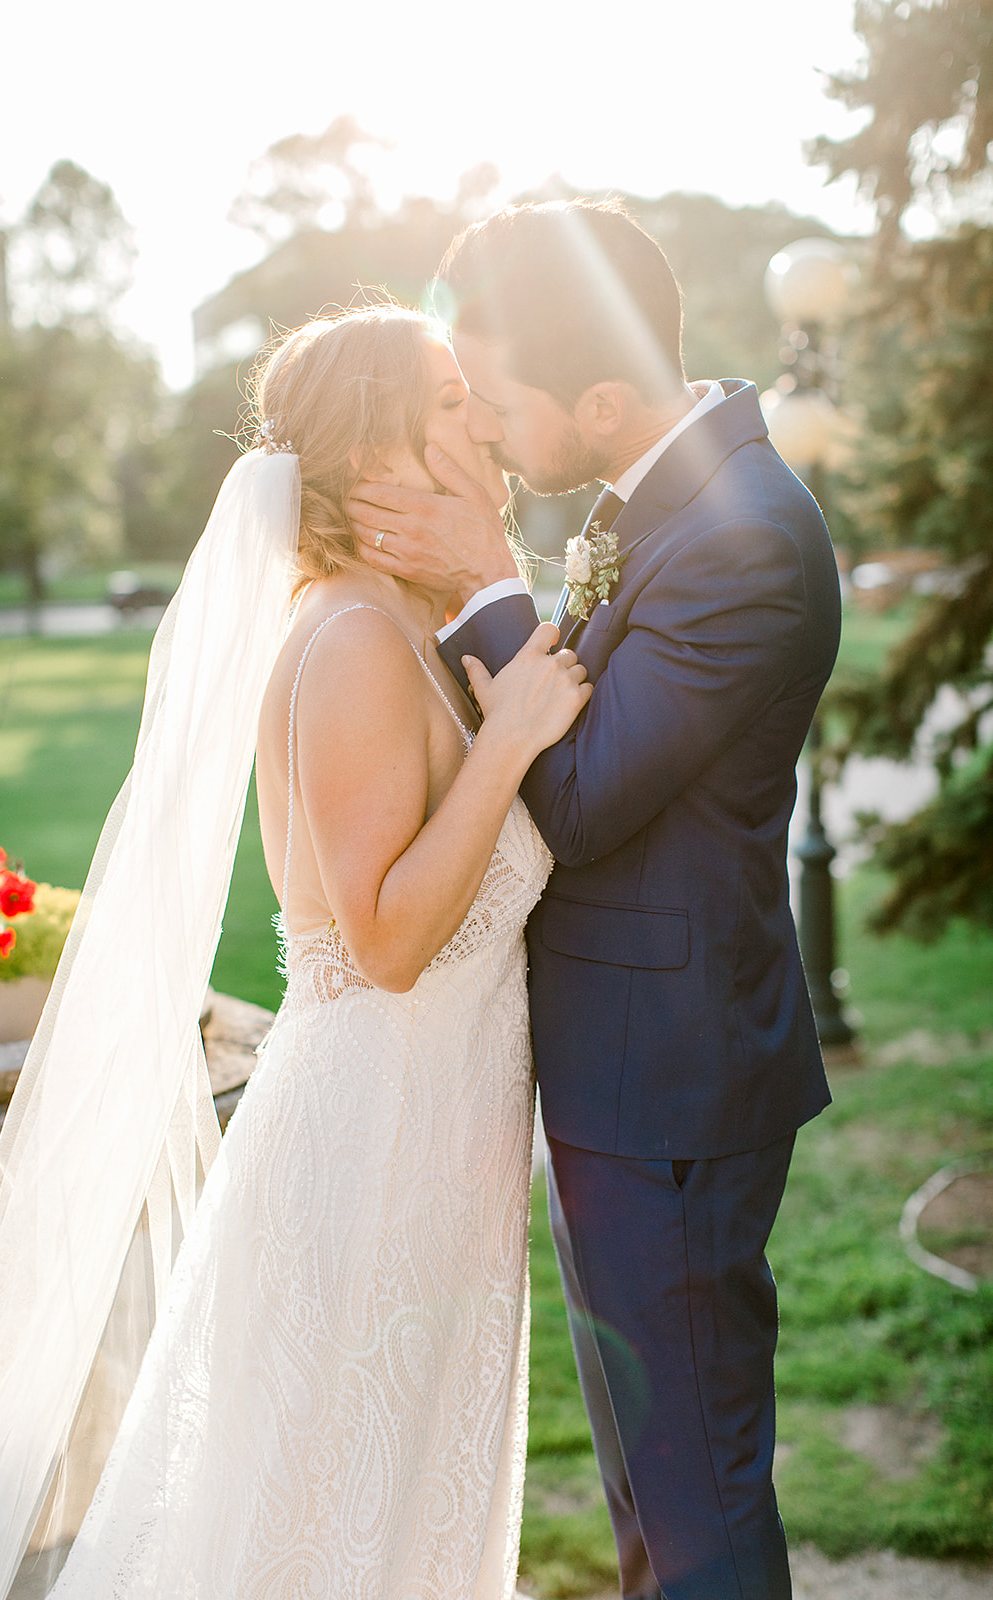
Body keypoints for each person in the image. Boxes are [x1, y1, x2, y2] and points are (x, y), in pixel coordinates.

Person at [0, 304, 590, 1600]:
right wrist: (509, 741)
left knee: (390, 1513)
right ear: (377, 448)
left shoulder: (404, 623)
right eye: (451, 400)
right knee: (324, 1525)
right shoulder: (349, 641)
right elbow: (389, 940)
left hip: (433, 1144)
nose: (487, 417)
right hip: (373, 1153)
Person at [349, 200, 842, 1600]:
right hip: (634, 1071)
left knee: (695, 1505)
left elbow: (573, 797)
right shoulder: (666, 500)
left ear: (608, 398)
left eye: (498, 403)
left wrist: (484, 585)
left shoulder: (741, 535)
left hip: (671, 1084)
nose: (488, 433)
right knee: (653, 1484)